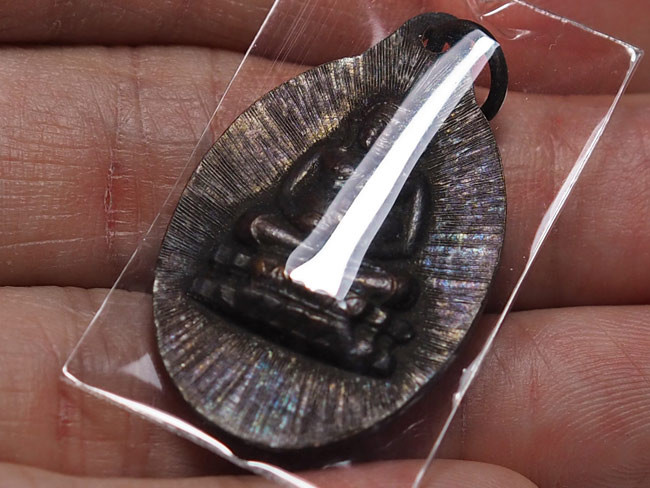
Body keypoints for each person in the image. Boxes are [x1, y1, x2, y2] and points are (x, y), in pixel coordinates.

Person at [0, 1, 647, 487]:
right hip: (283, 250)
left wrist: (366, 262)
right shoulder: (330, 155)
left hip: (355, 281)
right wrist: (299, 237)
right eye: (372, 128)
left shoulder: (415, 187)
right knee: (253, 228)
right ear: (362, 122)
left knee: (398, 288)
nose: (376, 141)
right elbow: (278, 205)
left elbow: (403, 257)